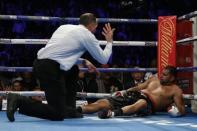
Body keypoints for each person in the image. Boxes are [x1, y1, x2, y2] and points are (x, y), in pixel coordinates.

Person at [6, 13, 115, 122]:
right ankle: (20, 101)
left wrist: (83, 61)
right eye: (95, 28)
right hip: (50, 70)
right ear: (92, 25)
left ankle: (69, 110)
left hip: (40, 64)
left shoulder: (64, 27)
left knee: (73, 69)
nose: (95, 31)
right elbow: (103, 59)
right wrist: (109, 41)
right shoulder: (87, 35)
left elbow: (58, 52)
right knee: (56, 114)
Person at [77, 65, 185, 118]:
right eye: (162, 73)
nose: (161, 76)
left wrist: (175, 110)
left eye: (165, 75)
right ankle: (77, 110)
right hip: (135, 95)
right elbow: (139, 87)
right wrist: (124, 91)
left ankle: (112, 114)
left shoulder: (176, 90)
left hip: (148, 104)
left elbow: (182, 109)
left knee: (141, 103)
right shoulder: (154, 79)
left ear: (172, 78)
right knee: (102, 103)